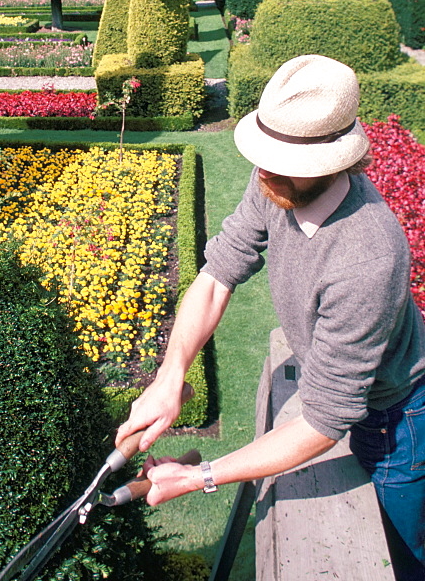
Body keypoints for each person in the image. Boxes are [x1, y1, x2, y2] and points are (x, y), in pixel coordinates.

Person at [116, 54, 425, 578]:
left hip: (396, 423)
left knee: (401, 557)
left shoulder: (367, 257)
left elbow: (326, 421)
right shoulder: (274, 181)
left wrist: (200, 477)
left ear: (334, 164)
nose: (267, 171)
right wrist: (171, 375)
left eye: (286, 163)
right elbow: (218, 276)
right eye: (268, 155)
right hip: (335, 388)